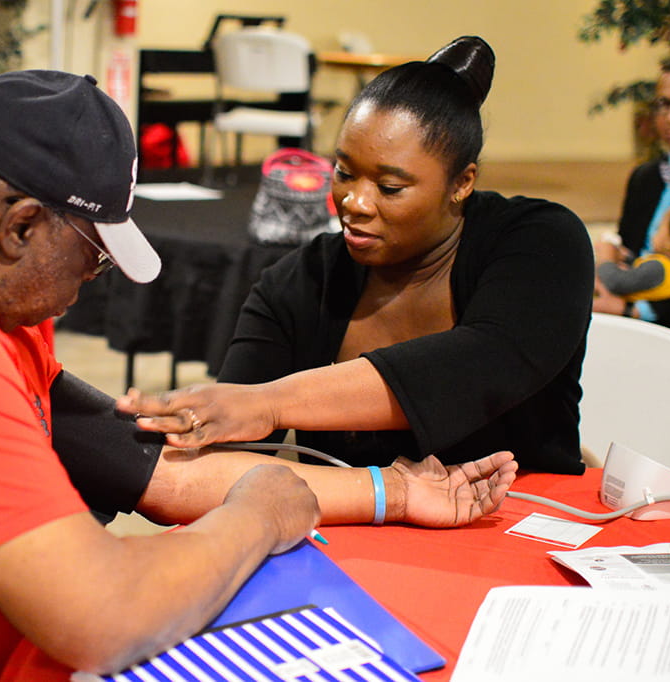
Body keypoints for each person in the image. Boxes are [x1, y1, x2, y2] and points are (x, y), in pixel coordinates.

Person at [0, 71, 516, 681]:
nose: (91, 284)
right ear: (21, 228)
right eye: (94, 256)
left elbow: (147, 461)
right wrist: (258, 517)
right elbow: (102, 621)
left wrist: (391, 493)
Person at [118, 36, 594, 475]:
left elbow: (481, 364)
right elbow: (230, 453)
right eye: (344, 172)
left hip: (527, 538)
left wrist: (268, 404)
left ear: (462, 182)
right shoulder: (299, 283)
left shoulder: (540, 243)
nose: (354, 203)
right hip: (350, 544)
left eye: (390, 187)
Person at [593, 57, 670, 337]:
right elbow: (629, 246)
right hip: (631, 319)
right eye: (664, 105)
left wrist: (637, 311)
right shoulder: (644, 177)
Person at [596, 196, 670, 305]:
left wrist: (606, 258)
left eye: (659, 228)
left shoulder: (657, 269)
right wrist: (628, 258)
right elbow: (642, 275)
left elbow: (615, 283)